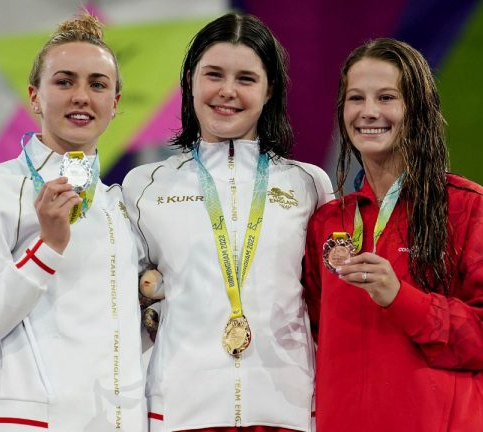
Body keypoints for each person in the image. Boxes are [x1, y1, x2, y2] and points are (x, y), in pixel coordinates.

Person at [123, 12, 333, 432]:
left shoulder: (309, 184)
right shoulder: (144, 186)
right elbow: (126, 302)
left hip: (287, 409)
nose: (227, 92)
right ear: (189, 79)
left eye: (246, 79)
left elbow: (323, 302)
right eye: (213, 74)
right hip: (181, 411)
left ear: (270, 88)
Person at [302, 38, 483, 432]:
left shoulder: (466, 208)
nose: (369, 112)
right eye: (356, 98)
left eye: (386, 97)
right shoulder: (328, 223)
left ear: (416, 110)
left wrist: (402, 299)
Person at [0, 13, 146, 431]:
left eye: (97, 84)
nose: (81, 96)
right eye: (64, 81)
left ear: (115, 103)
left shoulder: (120, 207)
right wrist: (47, 248)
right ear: (34, 96)